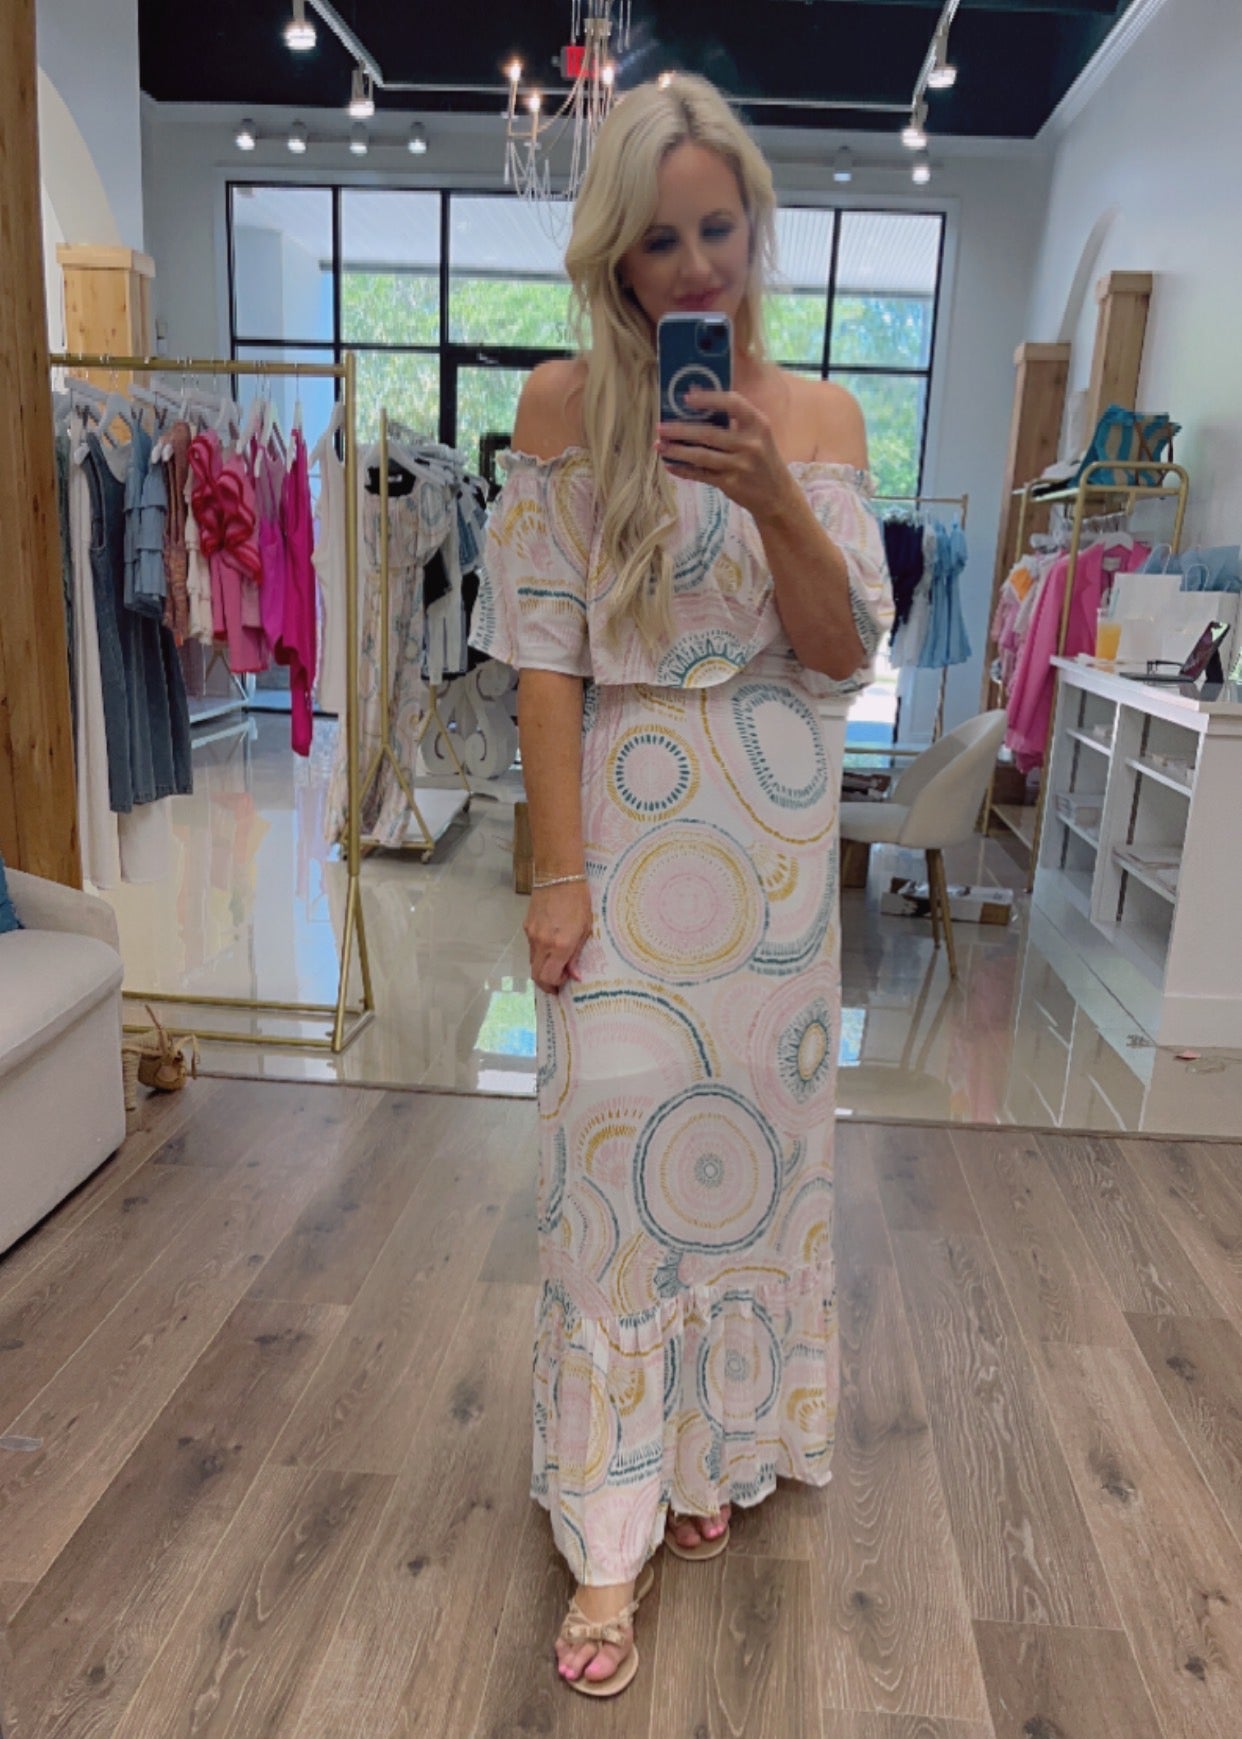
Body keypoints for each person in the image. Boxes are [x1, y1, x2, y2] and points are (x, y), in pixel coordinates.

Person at [471, 73, 893, 1699]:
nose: (697, 264)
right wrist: (554, 876)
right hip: (630, 847)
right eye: (660, 240)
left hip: (775, 867)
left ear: (754, 228)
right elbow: (544, 665)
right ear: (617, 258)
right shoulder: (561, 407)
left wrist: (771, 490)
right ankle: (607, 1537)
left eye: (719, 228)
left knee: (743, 1179)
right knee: (611, 1195)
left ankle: (704, 1453)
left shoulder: (824, 421)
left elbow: (838, 653)